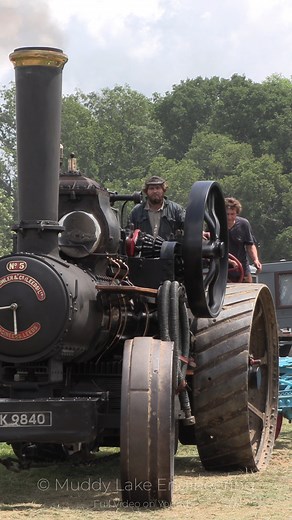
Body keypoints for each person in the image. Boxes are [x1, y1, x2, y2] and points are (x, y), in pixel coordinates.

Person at [128, 175, 185, 240]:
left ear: (163, 190)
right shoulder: (136, 211)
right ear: (146, 191)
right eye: (151, 188)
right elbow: (128, 234)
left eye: (158, 188)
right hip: (143, 249)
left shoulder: (176, 210)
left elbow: (189, 230)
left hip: (169, 249)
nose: (155, 191)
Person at [225, 197, 262, 283]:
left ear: (237, 213)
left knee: (248, 293)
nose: (229, 217)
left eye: (232, 214)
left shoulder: (244, 224)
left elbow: (250, 245)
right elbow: (212, 250)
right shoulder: (215, 226)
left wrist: (256, 260)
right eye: (227, 214)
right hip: (223, 271)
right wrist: (230, 261)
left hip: (242, 269)